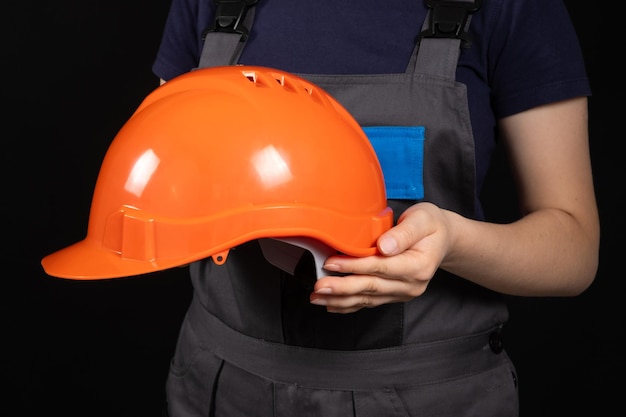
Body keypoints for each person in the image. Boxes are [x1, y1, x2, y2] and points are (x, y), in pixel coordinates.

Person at [148, 0, 600, 415]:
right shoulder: (211, 5)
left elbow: (574, 251)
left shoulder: (512, 8)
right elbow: (162, 175)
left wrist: (453, 241)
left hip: (427, 396)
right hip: (224, 387)